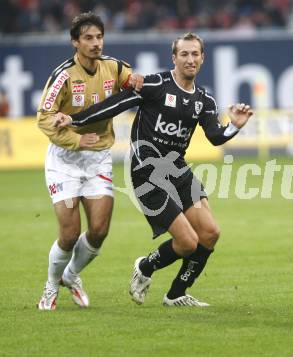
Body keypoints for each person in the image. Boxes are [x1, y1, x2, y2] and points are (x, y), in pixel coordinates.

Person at [54, 32, 253, 307]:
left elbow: (216, 137)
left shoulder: (204, 99)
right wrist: (74, 120)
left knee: (210, 233)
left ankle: (176, 295)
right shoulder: (157, 84)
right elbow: (114, 104)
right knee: (186, 243)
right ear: (174, 58)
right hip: (147, 174)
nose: (190, 59)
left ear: (202, 58)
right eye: (184, 54)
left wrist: (234, 125)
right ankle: (145, 267)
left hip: (178, 170)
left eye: (195, 54)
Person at [36, 12, 143, 310]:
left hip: (98, 158)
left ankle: (70, 276)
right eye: (88, 38)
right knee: (69, 235)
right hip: (64, 160)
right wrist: (75, 139)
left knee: (99, 230)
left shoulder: (114, 67)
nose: (96, 43)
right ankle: (49, 287)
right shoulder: (63, 76)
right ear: (75, 42)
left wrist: (135, 79)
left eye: (99, 37)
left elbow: (130, 79)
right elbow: (44, 119)